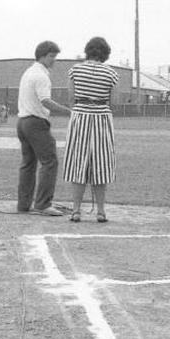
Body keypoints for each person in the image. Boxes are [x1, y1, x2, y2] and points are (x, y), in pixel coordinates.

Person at [64, 37, 119, 223]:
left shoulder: (75, 70)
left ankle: (76, 210)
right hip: (102, 118)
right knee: (101, 164)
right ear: (105, 53)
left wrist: (80, 109)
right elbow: (114, 102)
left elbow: (71, 98)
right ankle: (101, 211)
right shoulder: (111, 73)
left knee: (77, 163)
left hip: (79, 116)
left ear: (88, 51)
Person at [16, 40, 70, 216]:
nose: (54, 60)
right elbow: (45, 100)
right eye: (52, 56)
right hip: (35, 123)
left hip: (22, 122)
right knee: (50, 161)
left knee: (28, 164)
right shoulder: (41, 75)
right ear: (43, 56)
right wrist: (70, 112)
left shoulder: (28, 72)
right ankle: (43, 204)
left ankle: (24, 204)